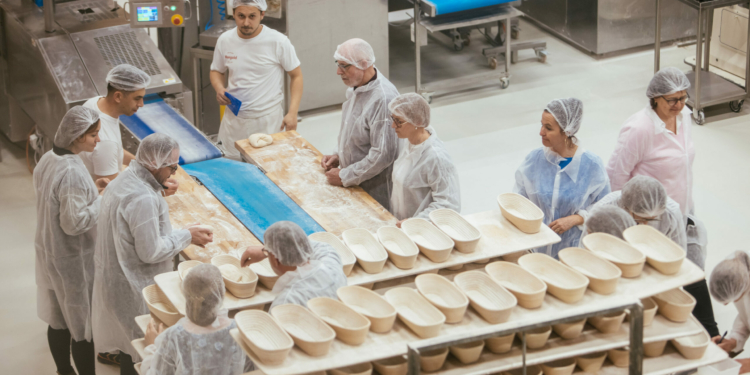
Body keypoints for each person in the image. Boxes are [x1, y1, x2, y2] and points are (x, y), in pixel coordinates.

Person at [92, 133, 214, 375]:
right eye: (171, 167)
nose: (174, 173)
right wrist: (186, 236)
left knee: (131, 346)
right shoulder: (143, 197)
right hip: (135, 285)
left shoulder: (126, 177)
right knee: (141, 350)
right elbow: (150, 252)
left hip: (116, 277)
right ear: (154, 164)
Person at [34, 107, 109, 375]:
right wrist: (101, 201)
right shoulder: (72, 173)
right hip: (72, 259)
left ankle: (64, 371)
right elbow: (73, 223)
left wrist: (92, 191)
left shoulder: (49, 158)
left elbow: (56, 201)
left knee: (58, 319)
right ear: (76, 136)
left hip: (48, 249)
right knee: (81, 326)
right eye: (93, 135)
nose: (97, 140)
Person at [514, 98, 610, 259]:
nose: (541, 132)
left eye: (548, 128)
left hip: (573, 253)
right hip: (535, 249)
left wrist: (577, 218)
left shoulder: (591, 166)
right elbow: (518, 199)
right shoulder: (534, 159)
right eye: (542, 125)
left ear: (567, 131)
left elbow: (606, 207)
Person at [210, 0, 303, 159]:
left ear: (262, 15)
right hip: (234, 119)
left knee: (267, 165)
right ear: (234, 14)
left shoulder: (278, 41)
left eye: (252, 16)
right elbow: (216, 71)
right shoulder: (225, 40)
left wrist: (292, 112)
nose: (246, 22)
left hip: (267, 119)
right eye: (241, 16)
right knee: (232, 164)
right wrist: (219, 88)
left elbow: (296, 76)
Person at [321, 38, 400, 210]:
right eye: (338, 64)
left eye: (344, 65)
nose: (338, 71)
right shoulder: (358, 87)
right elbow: (352, 129)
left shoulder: (383, 99)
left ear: (364, 64)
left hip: (375, 189)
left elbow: (383, 155)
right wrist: (339, 154)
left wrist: (345, 176)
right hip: (356, 181)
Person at [607, 67, 695, 217]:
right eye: (672, 100)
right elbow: (616, 174)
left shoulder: (683, 116)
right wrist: (622, 216)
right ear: (656, 97)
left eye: (683, 98)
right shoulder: (639, 129)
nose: (679, 105)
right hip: (649, 215)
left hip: (681, 209)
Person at [140, 264, 249, 375]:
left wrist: (151, 346)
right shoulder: (238, 331)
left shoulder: (174, 337)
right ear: (221, 294)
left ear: (186, 295)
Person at [387, 93, 460, 226]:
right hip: (402, 225)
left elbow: (449, 205)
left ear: (418, 122)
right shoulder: (407, 143)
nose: (393, 125)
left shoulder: (436, 158)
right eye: (393, 119)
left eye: (399, 121)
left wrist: (417, 222)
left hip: (423, 231)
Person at [241, 222, 347, 309]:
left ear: (275, 260)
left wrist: (269, 250)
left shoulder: (286, 301)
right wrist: (266, 250)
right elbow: (318, 246)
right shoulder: (331, 263)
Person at [79, 65, 150, 181]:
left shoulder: (94, 103)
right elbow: (109, 191)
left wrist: (142, 165)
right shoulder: (105, 141)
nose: (141, 104)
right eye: (137, 98)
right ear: (117, 96)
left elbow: (116, 151)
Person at [709, 251, 750, 373]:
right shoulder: (744, 282)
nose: (726, 304)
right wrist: (732, 342)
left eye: (730, 299)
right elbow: (745, 319)